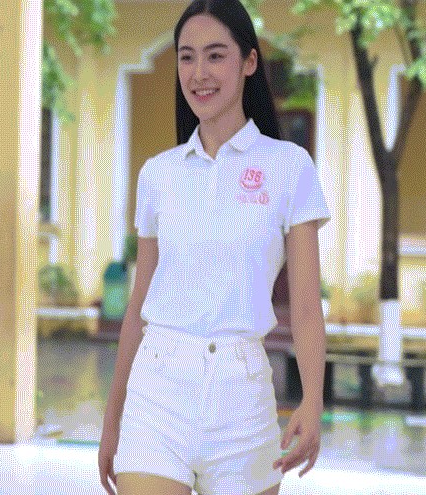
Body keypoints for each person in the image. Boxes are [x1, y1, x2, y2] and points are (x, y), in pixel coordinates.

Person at [98, 0, 331, 494]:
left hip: (242, 402)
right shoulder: (158, 174)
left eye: (215, 55)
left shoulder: (289, 167)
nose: (199, 73)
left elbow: (307, 307)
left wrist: (313, 401)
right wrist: (113, 419)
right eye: (187, 57)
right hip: (156, 395)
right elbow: (139, 306)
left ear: (249, 62)